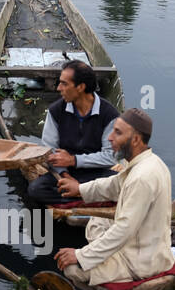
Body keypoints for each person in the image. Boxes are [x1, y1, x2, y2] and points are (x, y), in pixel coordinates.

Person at [53, 109, 174, 286]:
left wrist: (80, 255)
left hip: (140, 262)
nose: (110, 138)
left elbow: (124, 229)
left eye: (117, 132)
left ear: (135, 139)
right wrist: (79, 188)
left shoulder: (142, 177)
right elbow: (114, 184)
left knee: (72, 269)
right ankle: (103, 254)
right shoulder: (150, 162)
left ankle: (116, 265)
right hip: (143, 244)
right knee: (96, 219)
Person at [26, 59, 120, 204]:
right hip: (67, 172)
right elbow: (49, 151)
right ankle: (91, 198)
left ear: (80, 87)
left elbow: (110, 157)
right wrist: (65, 175)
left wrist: (74, 160)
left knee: (124, 186)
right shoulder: (56, 111)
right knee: (36, 190)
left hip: (96, 173)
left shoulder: (109, 114)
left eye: (64, 83)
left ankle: (77, 196)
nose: (58, 88)